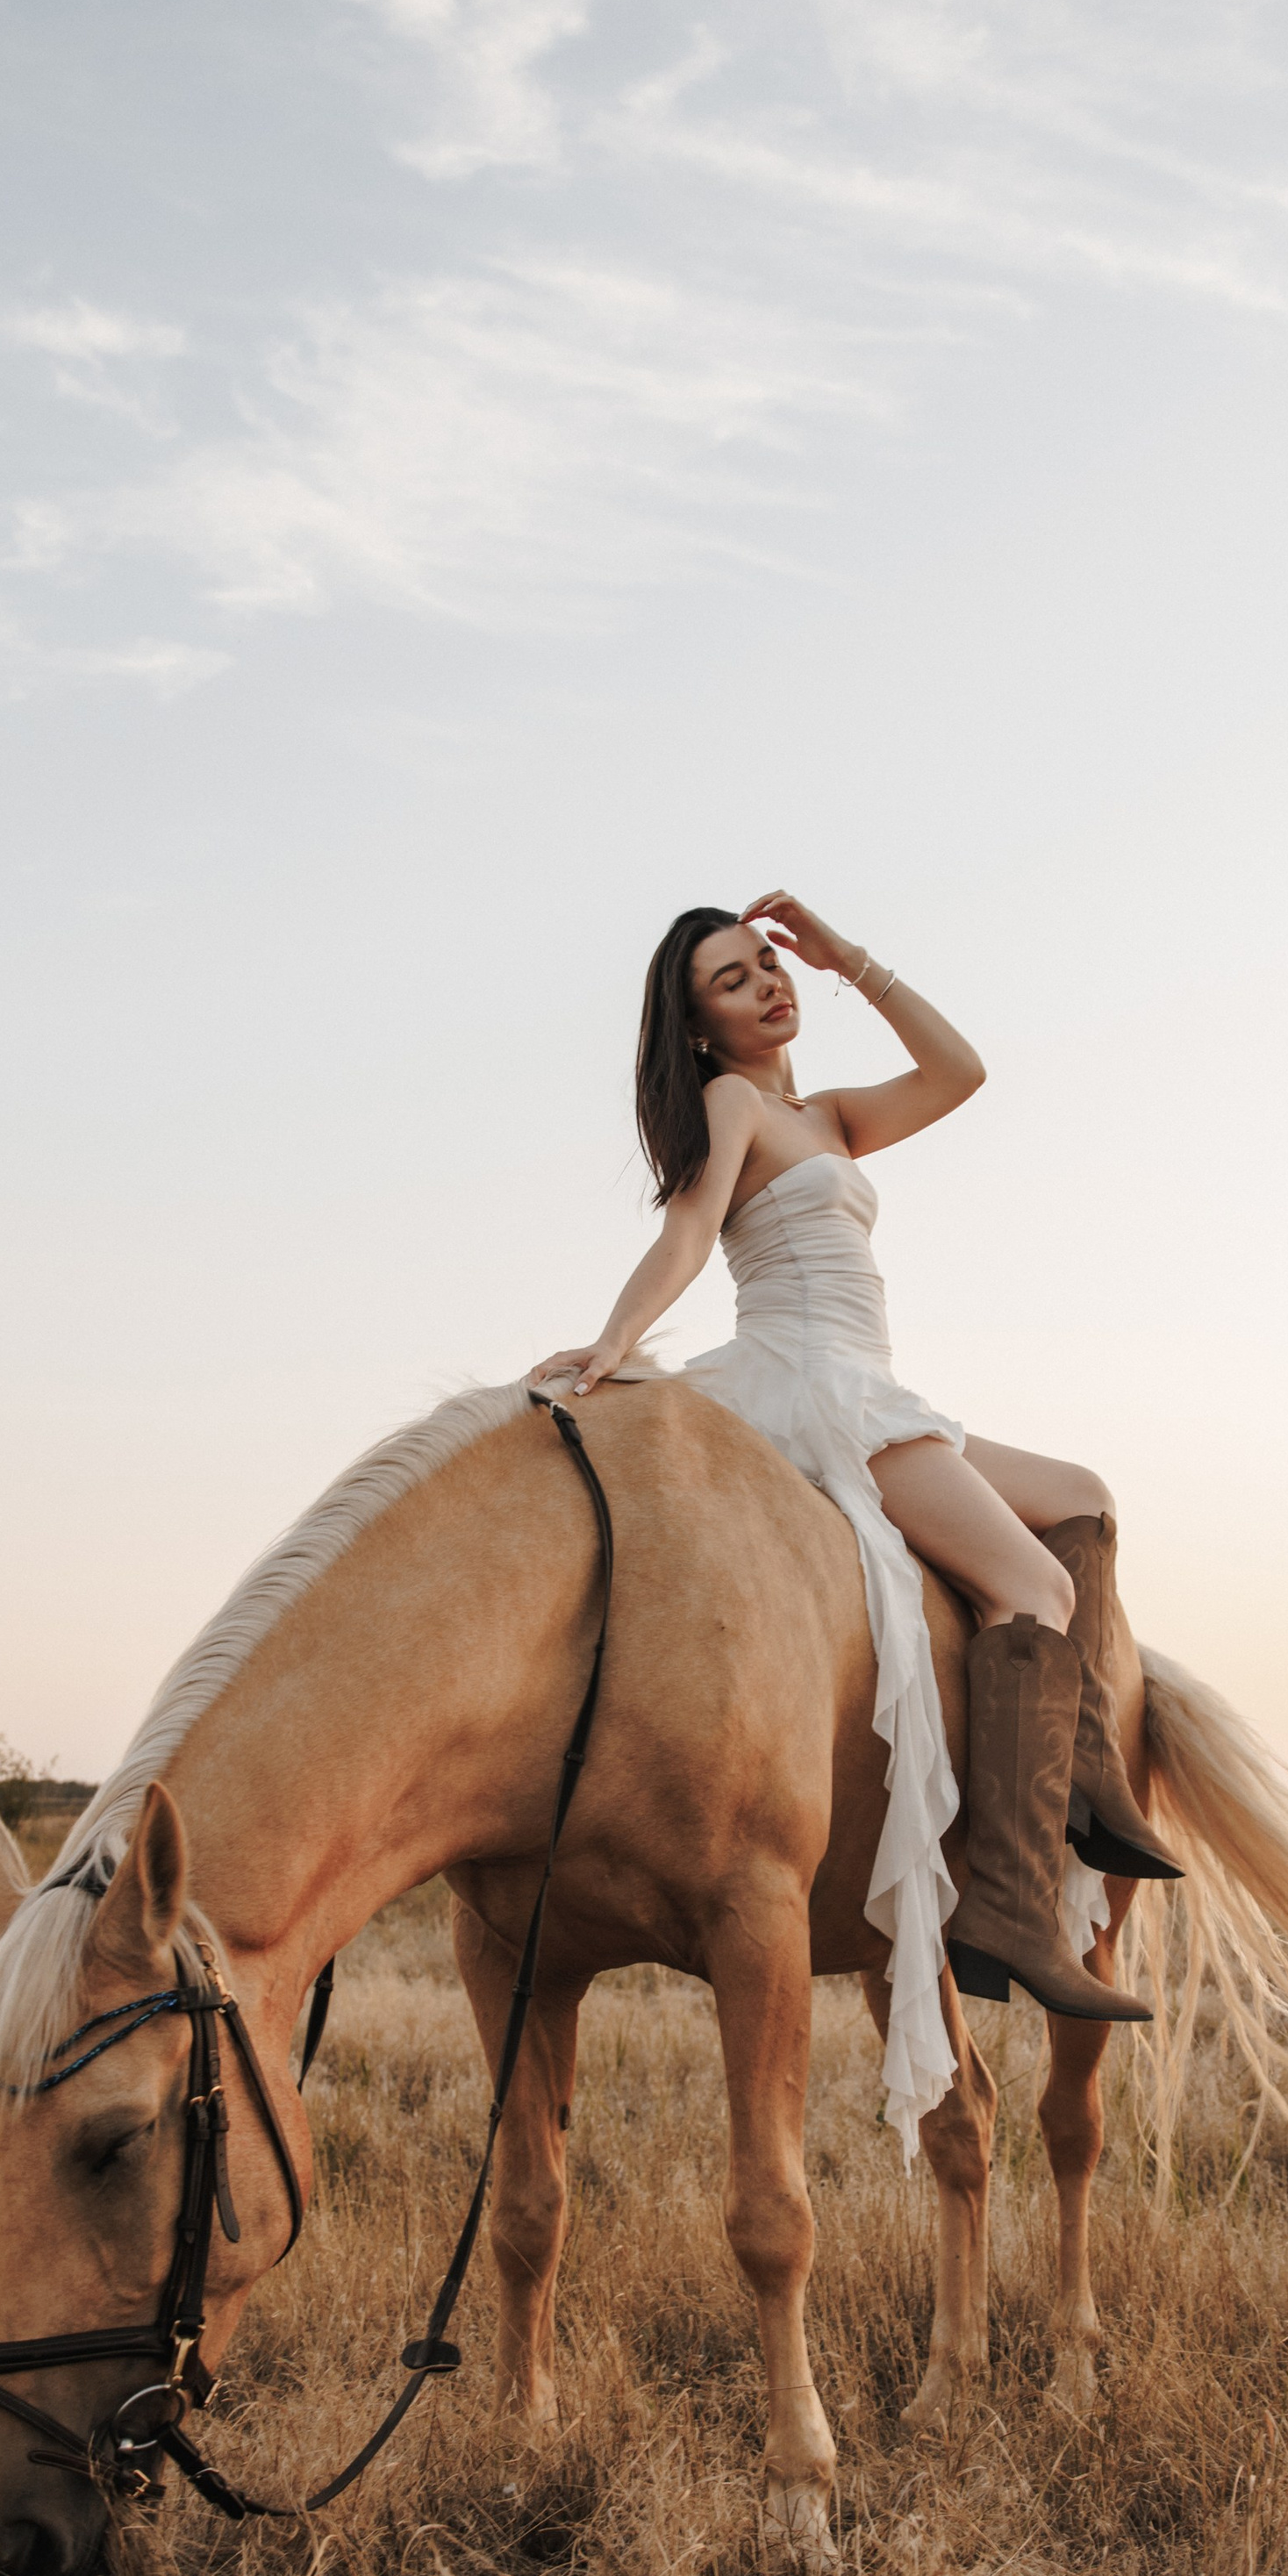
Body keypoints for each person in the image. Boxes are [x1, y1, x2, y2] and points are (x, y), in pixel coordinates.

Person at [532, 891, 1180, 2151]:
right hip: (812, 1388)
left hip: (876, 1381)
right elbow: (687, 1231)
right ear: (701, 1029)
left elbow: (962, 1070)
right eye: (735, 979)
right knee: (1030, 1590)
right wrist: (617, 1342)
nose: (767, 985)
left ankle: (1083, 1778)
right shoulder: (737, 1107)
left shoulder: (824, 1116)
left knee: (1085, 1500)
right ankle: (1005, 1897)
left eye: (768, 964)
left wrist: (850, 960)